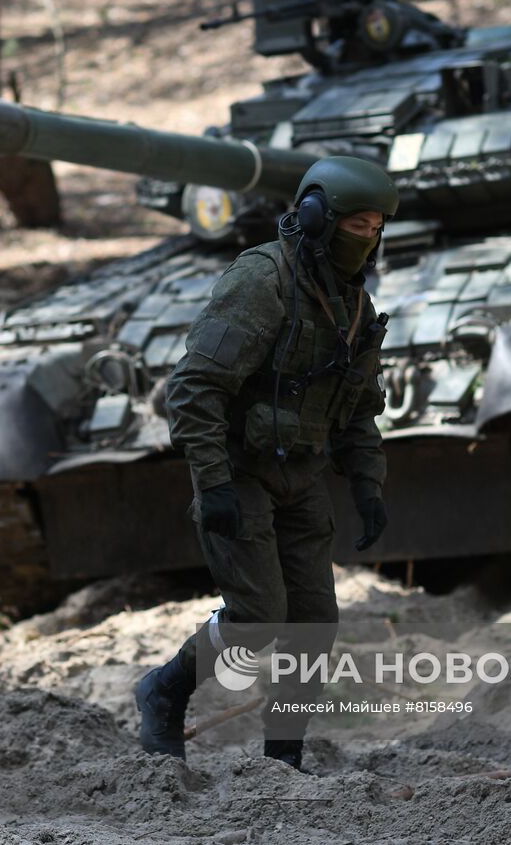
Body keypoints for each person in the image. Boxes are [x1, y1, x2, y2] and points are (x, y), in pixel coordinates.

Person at [137, 156, 398, 770]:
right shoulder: (264, 280)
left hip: (302, 475)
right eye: (356, 225)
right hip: (240, 468)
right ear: (315, 218)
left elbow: (358, 405)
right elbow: (194, 387)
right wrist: (214, 483)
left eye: (377, 226)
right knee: (257, 620)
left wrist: (369, 485)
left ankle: (283, 761)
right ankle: (164, 690)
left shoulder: (353, 303)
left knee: (312, 627)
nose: (368, 238)